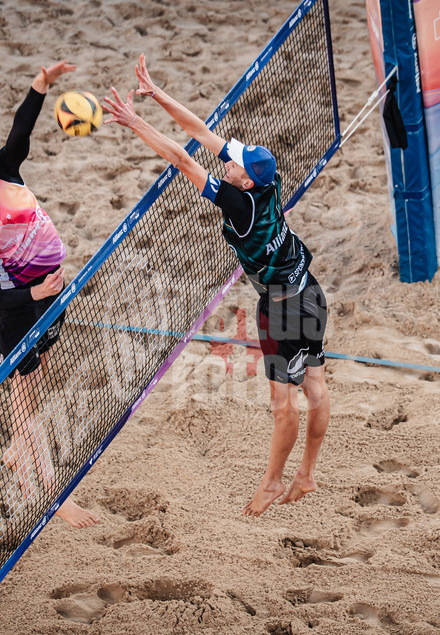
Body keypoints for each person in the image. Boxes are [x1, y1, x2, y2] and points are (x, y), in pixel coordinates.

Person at [102, 54, 330, 517]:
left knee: (283, 407)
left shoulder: (237, 204)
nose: (228, 161)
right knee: (317, 388)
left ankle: (271, 483)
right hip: (311, 291)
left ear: (245, 179)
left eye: (235, 163)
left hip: (283, 308)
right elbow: (204, 135)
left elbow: (182, 155)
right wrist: (157, 92)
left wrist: (132, 121)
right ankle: (305, 475)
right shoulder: (268, 178)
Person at [0, 60, 99, 529]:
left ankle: (14, 450)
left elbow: (20, 133)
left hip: (46, 292)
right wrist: (35, 293)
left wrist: (40, 85)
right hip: (17, 311)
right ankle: (53, 496)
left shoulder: (3, 173)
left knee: (36, 376)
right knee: (27, 400)